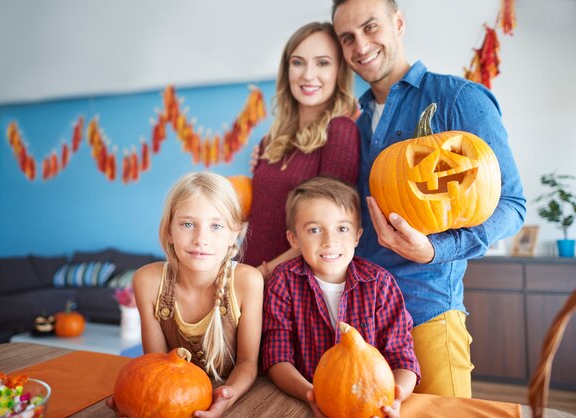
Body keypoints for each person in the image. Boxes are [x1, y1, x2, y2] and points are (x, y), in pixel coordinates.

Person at [331, 0, 527, 397]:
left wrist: (434, 249)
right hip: (359, 321)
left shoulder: (460, 98)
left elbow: (512, 204)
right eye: (347, 38)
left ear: (398, 23)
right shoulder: (352, 121)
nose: (361, 45)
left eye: (371, 28)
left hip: (428, 312)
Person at [108, 172, 264, 418]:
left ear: (234, 233)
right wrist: (136, 398)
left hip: (236, 395)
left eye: (216, 226)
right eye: (188, 224)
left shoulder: (248, 281)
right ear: (169, 230)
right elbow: (156, 363)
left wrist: (225, 397)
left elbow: (247, 363)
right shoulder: (148, 281)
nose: (201, 239)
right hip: (172, 400)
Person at [262, 176, 420, 418]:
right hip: (304, 396)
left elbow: (402, 357)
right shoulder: (284, 281)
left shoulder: (380, 283)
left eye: (342, 229)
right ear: (293, 239)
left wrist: (395, 398)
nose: (330, 241)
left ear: (357, 236)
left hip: (371, 403)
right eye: (315, 230)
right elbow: (276, 357)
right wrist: (311, 394)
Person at [244, 21, 360, 279]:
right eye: (298, 62)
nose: (308, 74)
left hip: (292, 285)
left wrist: (263, 273)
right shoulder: (270, 141)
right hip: (250, 279)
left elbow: (329, 231)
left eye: (322, 63)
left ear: (339, 71)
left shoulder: (340, 132)